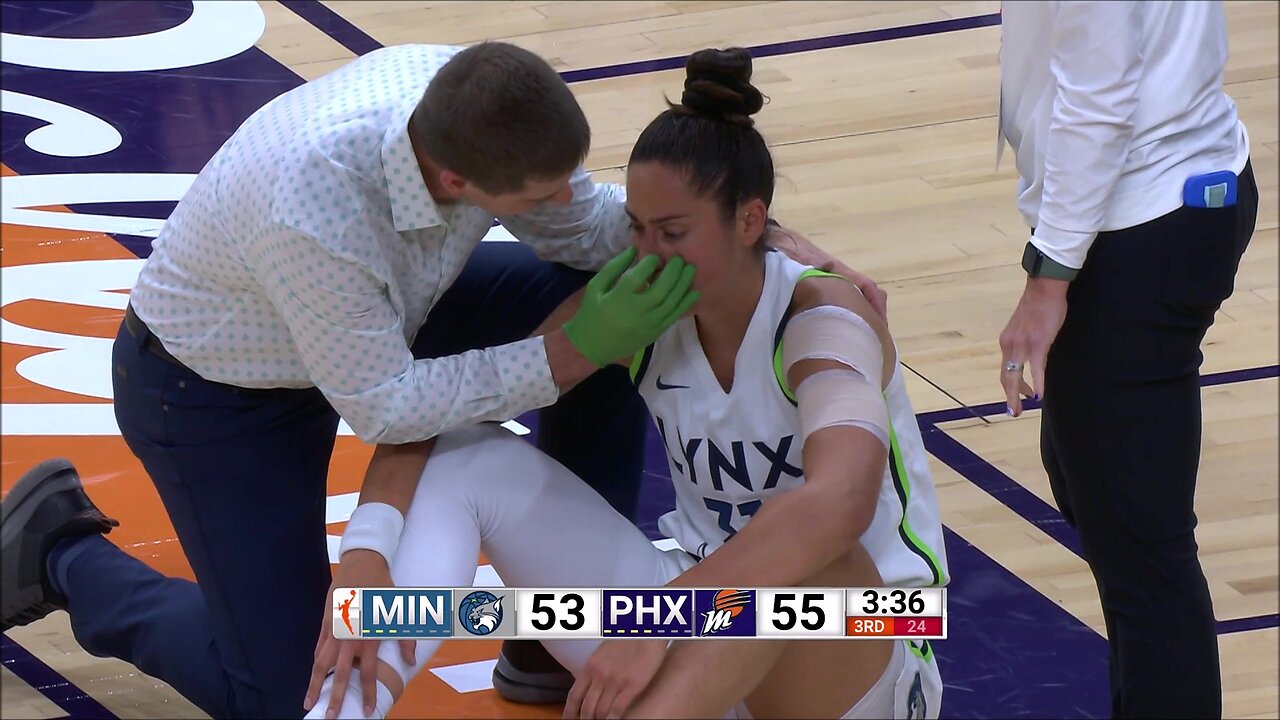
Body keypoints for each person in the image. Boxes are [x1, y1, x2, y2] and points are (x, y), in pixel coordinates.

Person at [0, 41, 882, 719]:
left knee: (597, 296)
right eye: (534, 199)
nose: (558, 206)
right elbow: (386, 406)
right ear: (457, 181)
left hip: (389, 317)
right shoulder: (316, 207)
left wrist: (778, 245)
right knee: (278, 689)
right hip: (217, 390)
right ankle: (61, 555)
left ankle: (553, 626)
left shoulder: (473, 100)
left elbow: (593, 229)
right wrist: (371, 550)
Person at [303, 47, 947, 720]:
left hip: (863, 638)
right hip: (696, 630)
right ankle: (340, 714)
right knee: (466, 450)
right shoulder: (639, 309)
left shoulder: (823, 317)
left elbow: (837, 508)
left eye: (673, 232)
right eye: (636, 229)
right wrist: (366, 553)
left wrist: (665, 621)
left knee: (802, 559)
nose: (649, 254)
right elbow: (433, 421)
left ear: (750, 221)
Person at [995, 3, 1257, 717]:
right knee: (1095, 490)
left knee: (1144, 558)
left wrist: (1049, 275)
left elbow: (1099, 95)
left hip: (1141, 225)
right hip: (1178, 192)